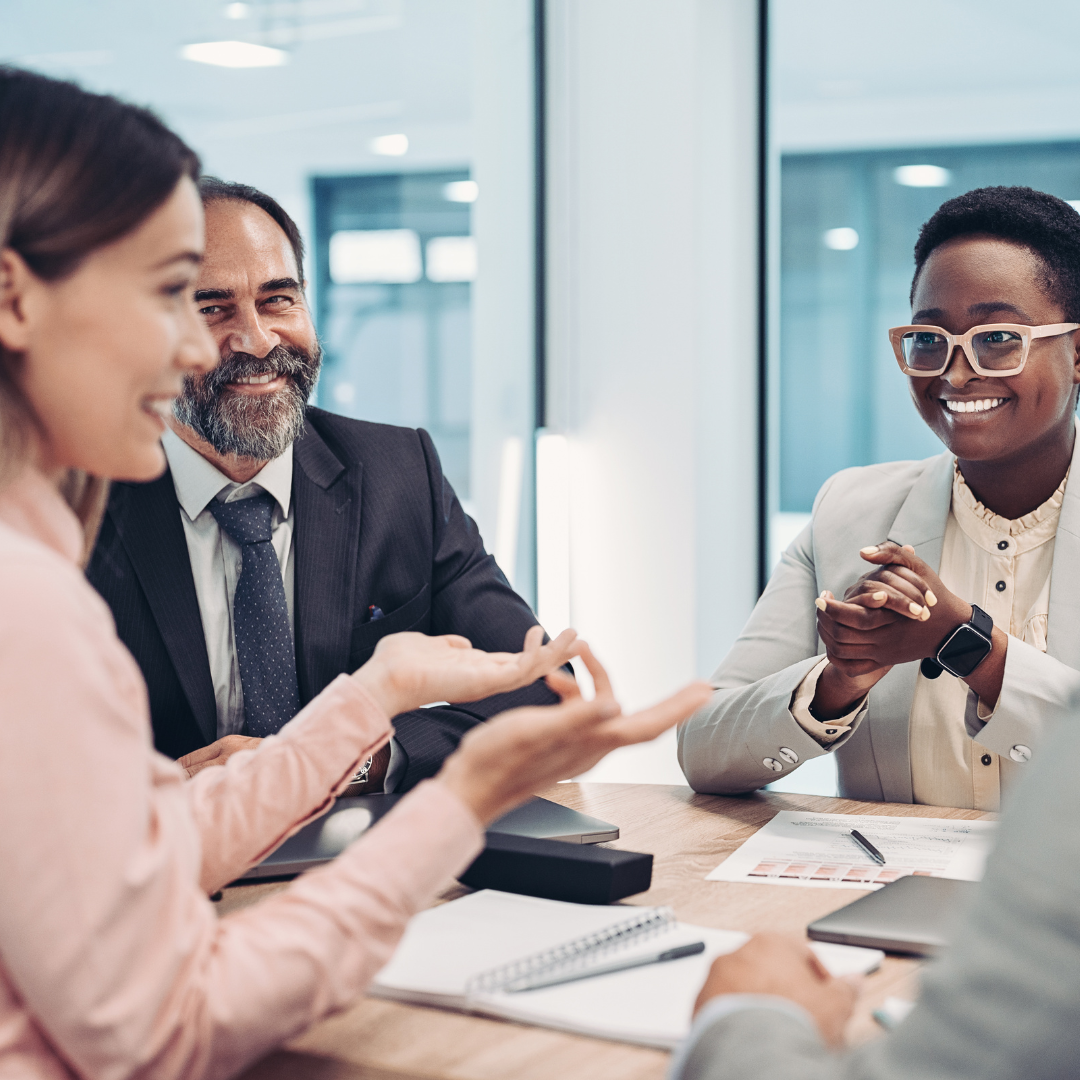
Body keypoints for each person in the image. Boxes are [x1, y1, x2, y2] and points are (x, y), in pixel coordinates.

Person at [0, 67, 711, 1079]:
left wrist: (377, 694)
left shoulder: (384, 470)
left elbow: (151, 835)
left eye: (272, 298)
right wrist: (455, 802)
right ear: (16, 299)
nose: (205, 343)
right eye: (171, 295)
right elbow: (158, 1029)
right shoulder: (28, 604)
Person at [87, 175, 555, 792]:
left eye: (279, 299)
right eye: (210, 309)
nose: (256, 339)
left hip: (372, 852)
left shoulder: (398, 471)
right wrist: (156, 793)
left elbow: (540, 689)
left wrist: (350, 761)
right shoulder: (75, 499)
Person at [679, 185, 1080, 811]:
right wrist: (838, 681)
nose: (954, 374)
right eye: (929, 340)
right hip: (884, 901)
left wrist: (966, 644)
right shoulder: (852, 512)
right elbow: (703, 749)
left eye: (999, 337)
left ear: (1077, 351)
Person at [671, 659, 1080, 1080]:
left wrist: (742, 1021)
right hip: (847, 912)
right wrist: (832, 684)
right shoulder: (832, 591)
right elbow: (700, 745)